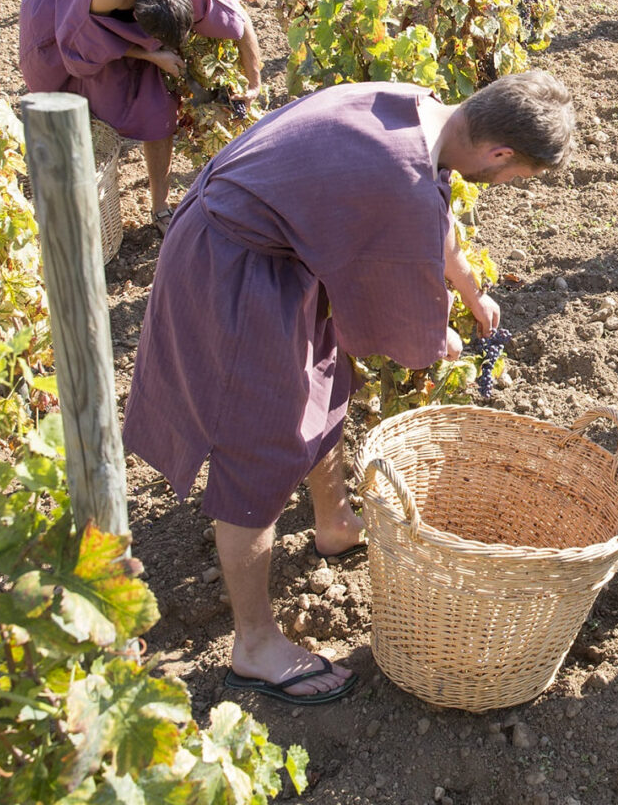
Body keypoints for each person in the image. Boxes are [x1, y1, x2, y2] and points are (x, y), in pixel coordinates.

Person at [123, 74, 575, 704]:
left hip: (272, 255)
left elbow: (433, 211)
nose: (505, 185)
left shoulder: (418, 109)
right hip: (231, 266)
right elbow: (412, 331)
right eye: (514, 176)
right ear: (500, 153)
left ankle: (334, 522)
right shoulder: (403, 181)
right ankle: (254, 645)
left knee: (328, 378)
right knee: (259, 447)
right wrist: (437, 340)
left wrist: (468, 287)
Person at [19, 0, 261, 232]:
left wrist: (253, 82)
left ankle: (159, 209)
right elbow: (81, 48)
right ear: (135, 19)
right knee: (76, 105)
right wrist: (149, 55)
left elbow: (241, 21)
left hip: (122, 21)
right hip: (62, 22)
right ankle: (75, 205)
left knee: (158, 112)